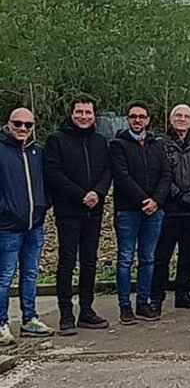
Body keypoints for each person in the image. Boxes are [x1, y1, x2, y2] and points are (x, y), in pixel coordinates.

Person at [44, 94, 112, 335]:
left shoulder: (100, 141)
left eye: (88, 113)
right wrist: (80, 194)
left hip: (94, 211)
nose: (84, 117)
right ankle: (66, 314)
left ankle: (86, 310)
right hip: (69, 211)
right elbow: (53, 173)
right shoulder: (57, 140)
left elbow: (107, 171)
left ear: (94, 115)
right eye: (79, 112)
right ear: (72, 114)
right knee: (67, 262)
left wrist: (97, 193)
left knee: (89, 261)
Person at [110, 102, 171, 325]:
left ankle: (143, 302)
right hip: (128, 211)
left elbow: (166, 174)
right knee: (125, 259)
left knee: (148, 259)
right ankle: (124, 306)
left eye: (142, 116)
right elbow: (122, 176)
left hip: (154, 211)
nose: (138, 120)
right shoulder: (118, 145)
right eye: (134, 116)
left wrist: (156, 200)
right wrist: (143, 199)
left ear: (148, 120)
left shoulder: (157, 145)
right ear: (127, 119)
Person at [151, 105, 190, 314]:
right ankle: (157, 297)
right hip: (170, 208)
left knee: (189, 255)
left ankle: (183, 294)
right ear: (171, 119)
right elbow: (160, 171)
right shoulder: (160, 144)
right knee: (162, 256)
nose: (182, 119)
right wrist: (176, 193)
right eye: (178, 116)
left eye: (186, 116)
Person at [0, 108, 55, 345]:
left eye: (28, 125)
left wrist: (44, 204)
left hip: (35, 225)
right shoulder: (1, 151)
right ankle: (1, 323)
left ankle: (29, 318)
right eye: (18, 124)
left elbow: (47, 181)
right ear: (8, 124)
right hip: (8, 227)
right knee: (4, 277)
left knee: (30, 274)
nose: (23, 129)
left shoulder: (37, 151)